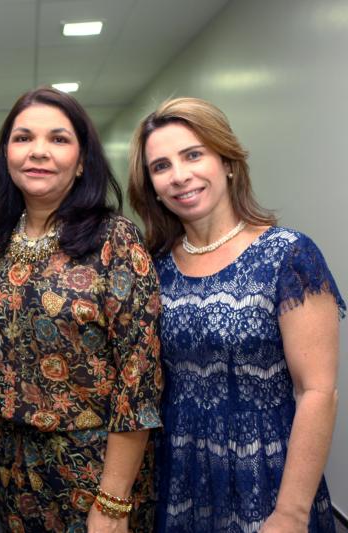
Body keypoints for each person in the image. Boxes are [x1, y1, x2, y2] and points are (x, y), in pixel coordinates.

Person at [128, 97, 344, 533]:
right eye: (161, 166)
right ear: (152, 186)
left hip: (267, 475)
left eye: (193, 155)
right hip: (181, 474)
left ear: (227, 162)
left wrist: (291, 513)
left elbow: (318, 391)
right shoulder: (152, 267)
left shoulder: (288, 255)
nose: (179, 175)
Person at [0, 86, 162, 533]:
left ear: (82, 162)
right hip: (11, 468)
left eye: (58, 139)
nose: (38, 151)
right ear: (6, 155)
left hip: (95, 471)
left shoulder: (115, 239)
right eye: (23, 138)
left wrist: (113, 502)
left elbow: (138, 380)